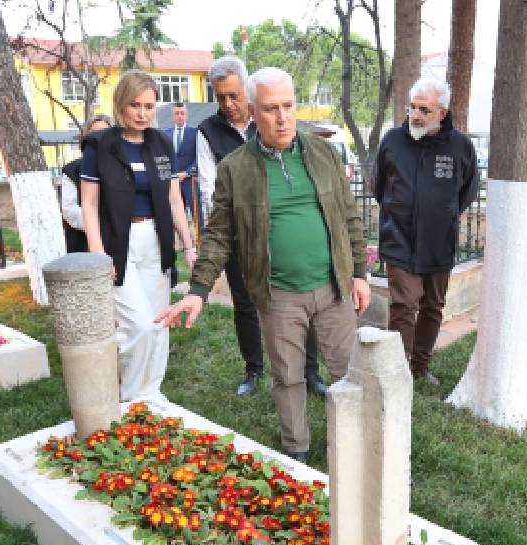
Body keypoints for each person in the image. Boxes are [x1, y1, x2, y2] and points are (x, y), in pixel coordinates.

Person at [158, 67, 370, 464]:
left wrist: (360, 272)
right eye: (272, 109)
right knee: (287, 377)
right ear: (253, 112)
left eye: (288, 106)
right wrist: (198, 290)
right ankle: (298, 453)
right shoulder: (235, 169)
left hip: (333, 286)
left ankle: (354, 447)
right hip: (279, 294)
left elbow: (348, 216)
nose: (283, 117)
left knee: (347, 373)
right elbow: (219, 234)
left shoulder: (323, 153)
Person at [195, 55, 326, 398]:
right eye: (220, 96)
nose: (228, 104)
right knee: (245, 304)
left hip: (283, 236)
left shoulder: (270, 117)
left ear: (248, 93)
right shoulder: (207, 132)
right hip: (242, 236)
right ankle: (254, 369)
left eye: (234, 95)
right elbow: (210, 190)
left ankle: (310, 372)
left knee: (301, 301)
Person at [80, 70, 197, 403]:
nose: (143, 113)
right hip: (118, 242)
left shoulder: (161, 142)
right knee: (139, 325)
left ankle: (152, 390)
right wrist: (99, 253)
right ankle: (130, 396)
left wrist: (188, 245)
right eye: (135, 105)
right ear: (121, 104)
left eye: (149, 106)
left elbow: (175, 199)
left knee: (159, 323)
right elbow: (89, 204)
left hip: (156, 240)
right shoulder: (100, 145)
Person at [373, 76, 479, 385]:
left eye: (424, 110)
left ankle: (420, 366)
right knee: (404, 305)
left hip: (438, 242)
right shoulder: (392, 141)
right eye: (412, 108)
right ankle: (399, 368)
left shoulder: (461, 146)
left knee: (433, 306)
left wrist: (442, 215)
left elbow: (467, 191)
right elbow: (379, 186)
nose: (415, 115)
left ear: (442, 113)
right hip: (400, 239)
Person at [60, 114, 112, 253]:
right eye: (95, 133)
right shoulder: (72, 170)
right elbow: (69, 210)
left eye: (105, 133)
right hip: (83, 243)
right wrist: (99, 225)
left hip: (117, 240)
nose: (99, 138)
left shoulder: (120, 167)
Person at [168, 102, 201, 234]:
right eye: (177, 113)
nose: (180, 116)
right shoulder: (166, 134)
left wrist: (186, 173)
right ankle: (180, 242)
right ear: (173, 116)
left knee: (196, 214)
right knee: (175, 214)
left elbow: (199, 157)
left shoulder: (195, 133)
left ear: (186, 115)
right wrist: (174, 175)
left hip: (190, 181)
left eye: (182, 113)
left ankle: (201, 242)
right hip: (173, 182)